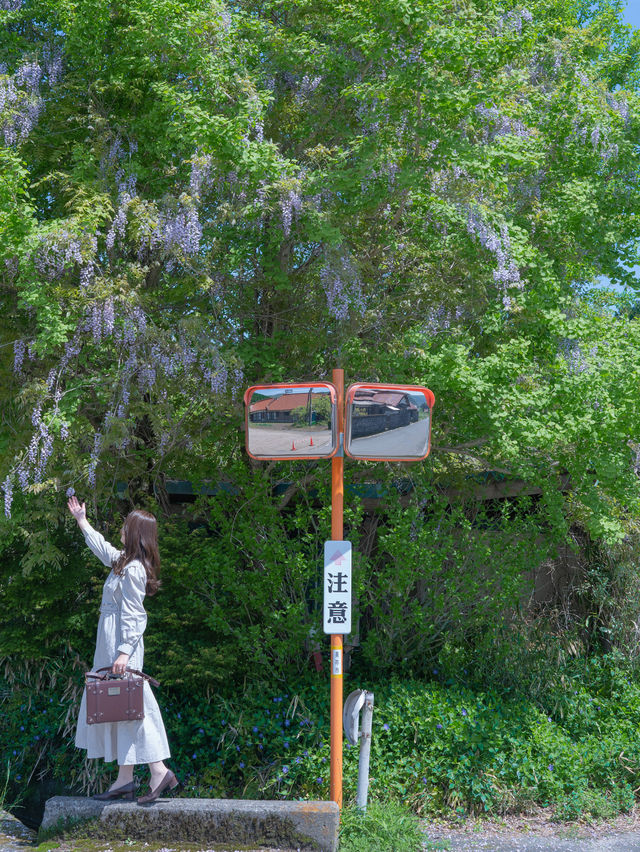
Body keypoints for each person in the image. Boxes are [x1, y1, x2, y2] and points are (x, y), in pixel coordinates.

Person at [68, 495, 179, 803]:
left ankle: (158, 771)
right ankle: (124, 779)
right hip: (112, 645)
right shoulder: (123, 563)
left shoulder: (133, 571)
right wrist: (81, 520)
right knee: (121, 709)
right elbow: (102, 548)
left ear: (134, 533)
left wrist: (124, 652)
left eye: (125, 526)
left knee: (133, 708)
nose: (120, 528)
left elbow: (135, 615)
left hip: (121, 646)